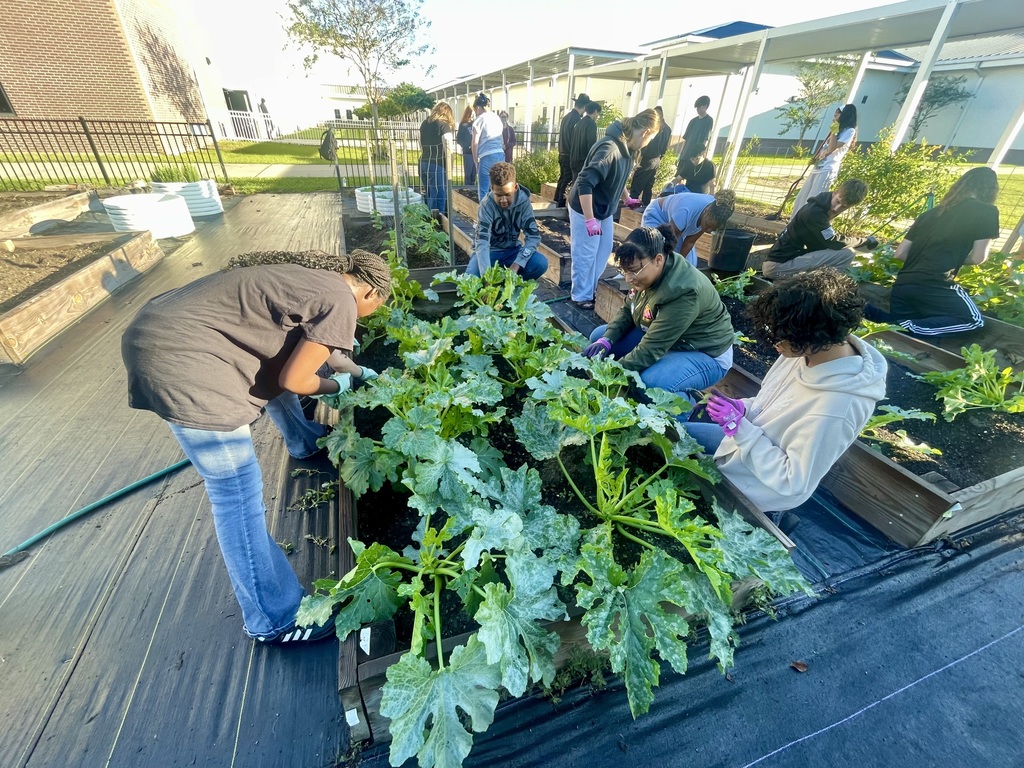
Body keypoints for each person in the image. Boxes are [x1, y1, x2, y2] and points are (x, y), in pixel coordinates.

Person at [121, 250, 392, 644]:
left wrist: (357, 371)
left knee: (271, 367)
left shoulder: (320, 280)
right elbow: (298, 378)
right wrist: (338, 387)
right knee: (235, 492)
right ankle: (275, 618)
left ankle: (302, 441)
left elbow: (304, 346)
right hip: (185, 362)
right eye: (378, 306)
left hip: (156, 330)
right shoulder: (342, 300)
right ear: (369, 292)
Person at [683, 268, 887, 514]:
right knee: (676, 435)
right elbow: (773, 405)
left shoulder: (838, 407)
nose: (775, 344)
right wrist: (743, 408)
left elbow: (791, 481)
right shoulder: (809, 350)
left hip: (757, 485)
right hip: (742, 447)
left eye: (780, 337)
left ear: (812, 334)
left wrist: (742, 428)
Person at [583, 225, 735, 398]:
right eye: (624, 271)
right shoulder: (648, 272)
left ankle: (688, 410)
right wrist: (607, 339)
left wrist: (608, 376)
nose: (628, 278)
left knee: (652, 385)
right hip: (671, 338)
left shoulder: (683, 291)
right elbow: (628, 310)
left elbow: (651, 348)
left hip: (703, 352)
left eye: (633, 271)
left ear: (658, 259)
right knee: (599, 337)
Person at [887, 167, 1001, 337]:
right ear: (990, 189)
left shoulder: (929, 214)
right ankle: (884, 321)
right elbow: (978, 258)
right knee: (973, 320)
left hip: (903, 286)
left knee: (905, 341)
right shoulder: (986, 211)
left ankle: (891, 323)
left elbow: (900, 253)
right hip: (934, 283)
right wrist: (949, 259)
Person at [567, 108, 659, 310]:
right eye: (650, 139)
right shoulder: (610, 148)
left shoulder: (629, 149)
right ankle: (580, 295)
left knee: (603, 249)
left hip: (604, 208)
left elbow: (615, 175)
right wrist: (589, 219)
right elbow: (585, 182)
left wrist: (627, 198)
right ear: (645, 132)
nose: (647, 144)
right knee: (586, 252)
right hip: (585, 207)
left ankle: (591, 289)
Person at [761, 178, 874, 279]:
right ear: (835, 192)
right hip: (778, 267)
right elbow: (833, 241)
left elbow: (824, 243)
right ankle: (827, 287)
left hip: (785, 261)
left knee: (838, 252)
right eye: (837, 201)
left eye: (844, 207)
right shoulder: (815, 214)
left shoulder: (821, 208)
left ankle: (820, 282)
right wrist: (864, 241)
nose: (836, 208)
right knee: (847, 254)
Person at [467, 161, 549, 280]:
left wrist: (517, 265)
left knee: (540, 263)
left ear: (515, 188)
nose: (503, 200)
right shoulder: (486, 205)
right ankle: (496, 288)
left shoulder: (524, 202)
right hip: (490, 252)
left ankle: (510, 288)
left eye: (507, 194)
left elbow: (533, 237)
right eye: (499, 195)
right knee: (470, 280)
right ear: (492, 189)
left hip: (512, 251)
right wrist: (486, 276)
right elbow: (482, 242)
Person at [641, 189, 735, 267]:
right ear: (706, 211)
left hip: (678, 226)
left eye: (713, 229)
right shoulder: (685, 210)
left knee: (690, 264)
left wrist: (680, 265)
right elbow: (670, 243)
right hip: (657, 215)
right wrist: (671, 267)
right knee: (656, 256)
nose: (709, 230)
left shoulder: (714, 213)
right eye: (708, 226)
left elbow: (689, 242)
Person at [791, 104, 857, 213]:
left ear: (845, 115)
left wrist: (834, 132)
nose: (835, 115)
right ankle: (793, 223)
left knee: (813, 200)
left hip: (827, 170)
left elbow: (831, 149)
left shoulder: (849, 131)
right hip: (818, 167)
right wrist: (816, 158)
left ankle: (805, 226)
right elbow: (825, 149)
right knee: (801, 199)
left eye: (838, 112)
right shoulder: (837, 130)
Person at [629, 106, 674, 206]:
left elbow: (647, 145)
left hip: (648, 158)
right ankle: (645, 205)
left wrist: (639, 159)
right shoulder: (668, 129)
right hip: (656, 159)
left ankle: (631, 205)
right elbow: (665, 148)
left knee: (637, 184)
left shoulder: (655, 127)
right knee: (648, 185)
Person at [419, 102, 456, 213]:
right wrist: (450, 166)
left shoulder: (424, 124)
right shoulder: (443, 126)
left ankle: (429, 220)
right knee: (439, 195)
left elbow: (420, 144)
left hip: (423, 162)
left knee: (430, 193)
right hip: (437, 165)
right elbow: (448, 148)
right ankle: (438, 223)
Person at [555, 93, 590, 207]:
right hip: (569, 154)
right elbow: (575, 140)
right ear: (584, 107)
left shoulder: (567, 117)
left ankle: (556, 200)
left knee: (562, 178)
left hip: (562, 152)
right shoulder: (576, 120)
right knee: (567, 179)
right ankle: (560, 203)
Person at [472, 93, 506, 201]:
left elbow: (474, 142)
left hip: (487, 156)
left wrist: (475, 161)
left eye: (474, 110)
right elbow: (501, 139)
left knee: (483, 190)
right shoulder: (496, 118)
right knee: (499, 188)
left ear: (477, 108)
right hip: (500, 154)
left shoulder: (479, 120)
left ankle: (484, 216)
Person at [673, 96, 714, 184]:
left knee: (690, 179)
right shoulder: (693, 121)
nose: (698, 109)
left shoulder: (709, 121)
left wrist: (700, 155)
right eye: (697, 107)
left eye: (700, 107)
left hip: (695, 156)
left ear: (705, 106)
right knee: (678, 176)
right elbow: (686, 139)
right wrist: (680, 154)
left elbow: (705, 140)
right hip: (685, 154)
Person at [568, 101, 602, 184]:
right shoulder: (591, 124)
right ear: (595, 112)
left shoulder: (579, 123)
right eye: (598, 113)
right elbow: (591, 145)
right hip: (583, 161)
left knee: (574, 187)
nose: (597, 116)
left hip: (573, 159)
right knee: (581, 188)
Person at [457, 106, 476, 186]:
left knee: (474, 174)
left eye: (473, 113)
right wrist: (467, 146)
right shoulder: (463, 125)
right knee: (468, 174)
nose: (472, 115)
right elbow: (459, 139)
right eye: (471, 113)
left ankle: (473, 187)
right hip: (467, 153)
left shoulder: (475, 123)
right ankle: (468, 188)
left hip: (475, 153)